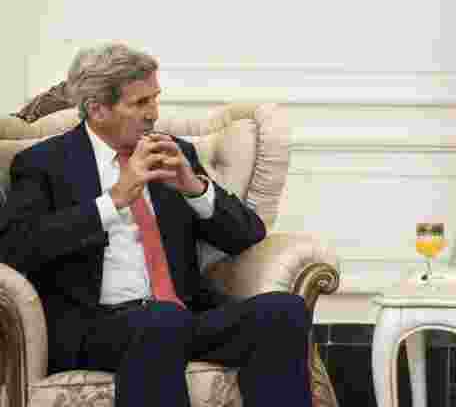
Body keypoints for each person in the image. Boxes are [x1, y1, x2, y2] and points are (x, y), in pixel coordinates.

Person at [0, 43, 312, 407]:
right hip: (96, 329)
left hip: (182, 316)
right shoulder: (44, 164)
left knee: (283, 312)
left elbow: (247, 236)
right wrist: (114, 200)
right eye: (140, 103)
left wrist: (194, 188)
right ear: (97, 109)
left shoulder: (172, 152)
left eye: (155, 99)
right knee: (161, 321)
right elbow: (15, 247)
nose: (154, 114)